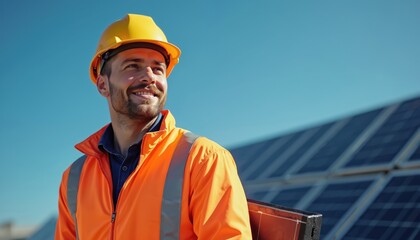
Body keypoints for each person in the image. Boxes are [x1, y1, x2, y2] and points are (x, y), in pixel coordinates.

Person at [55, 14, 252, 239]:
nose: (149, 77)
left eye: (158, 69)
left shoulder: (203, 159)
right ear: (103, 84)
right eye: (132, 66)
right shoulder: (74, 179)